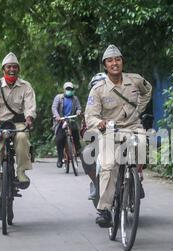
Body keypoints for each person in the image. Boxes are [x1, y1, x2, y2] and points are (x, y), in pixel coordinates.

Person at [85, 44, 152, 228]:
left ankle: (135, 177)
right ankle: (104, 210)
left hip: (133, 126)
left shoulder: (135, 80)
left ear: (122, 61)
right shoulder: (98, 89)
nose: (114, 63)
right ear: (105, 65)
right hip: (110, 130)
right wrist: (98, 123)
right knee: (108, 165)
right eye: (110, 61)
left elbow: (148, 90)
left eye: (117, 59)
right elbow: (90, 114)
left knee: (143, 142)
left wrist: (139, 109)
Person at [0, 52, 37, 218]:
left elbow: (30, 107)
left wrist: (29, 118)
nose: (12, 69)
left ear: (18, 69)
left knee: (23, 137)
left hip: (17, 123)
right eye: (9, 67)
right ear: (3, 69)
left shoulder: (26, 86)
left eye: (15, 67)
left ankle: (22, 171)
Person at [52, 81, 82, 168]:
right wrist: (57, 116)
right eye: (68, 89)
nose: (69, 90)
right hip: (61, 121)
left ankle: (77, 149)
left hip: (71, 120)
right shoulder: (59, 98)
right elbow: (54, 108)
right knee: (59, 139)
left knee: (76, 132)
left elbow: (78, 108)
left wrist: (78, 112)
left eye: (71, 89)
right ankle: (60, 158)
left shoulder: (75, 99)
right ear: (64, 90)